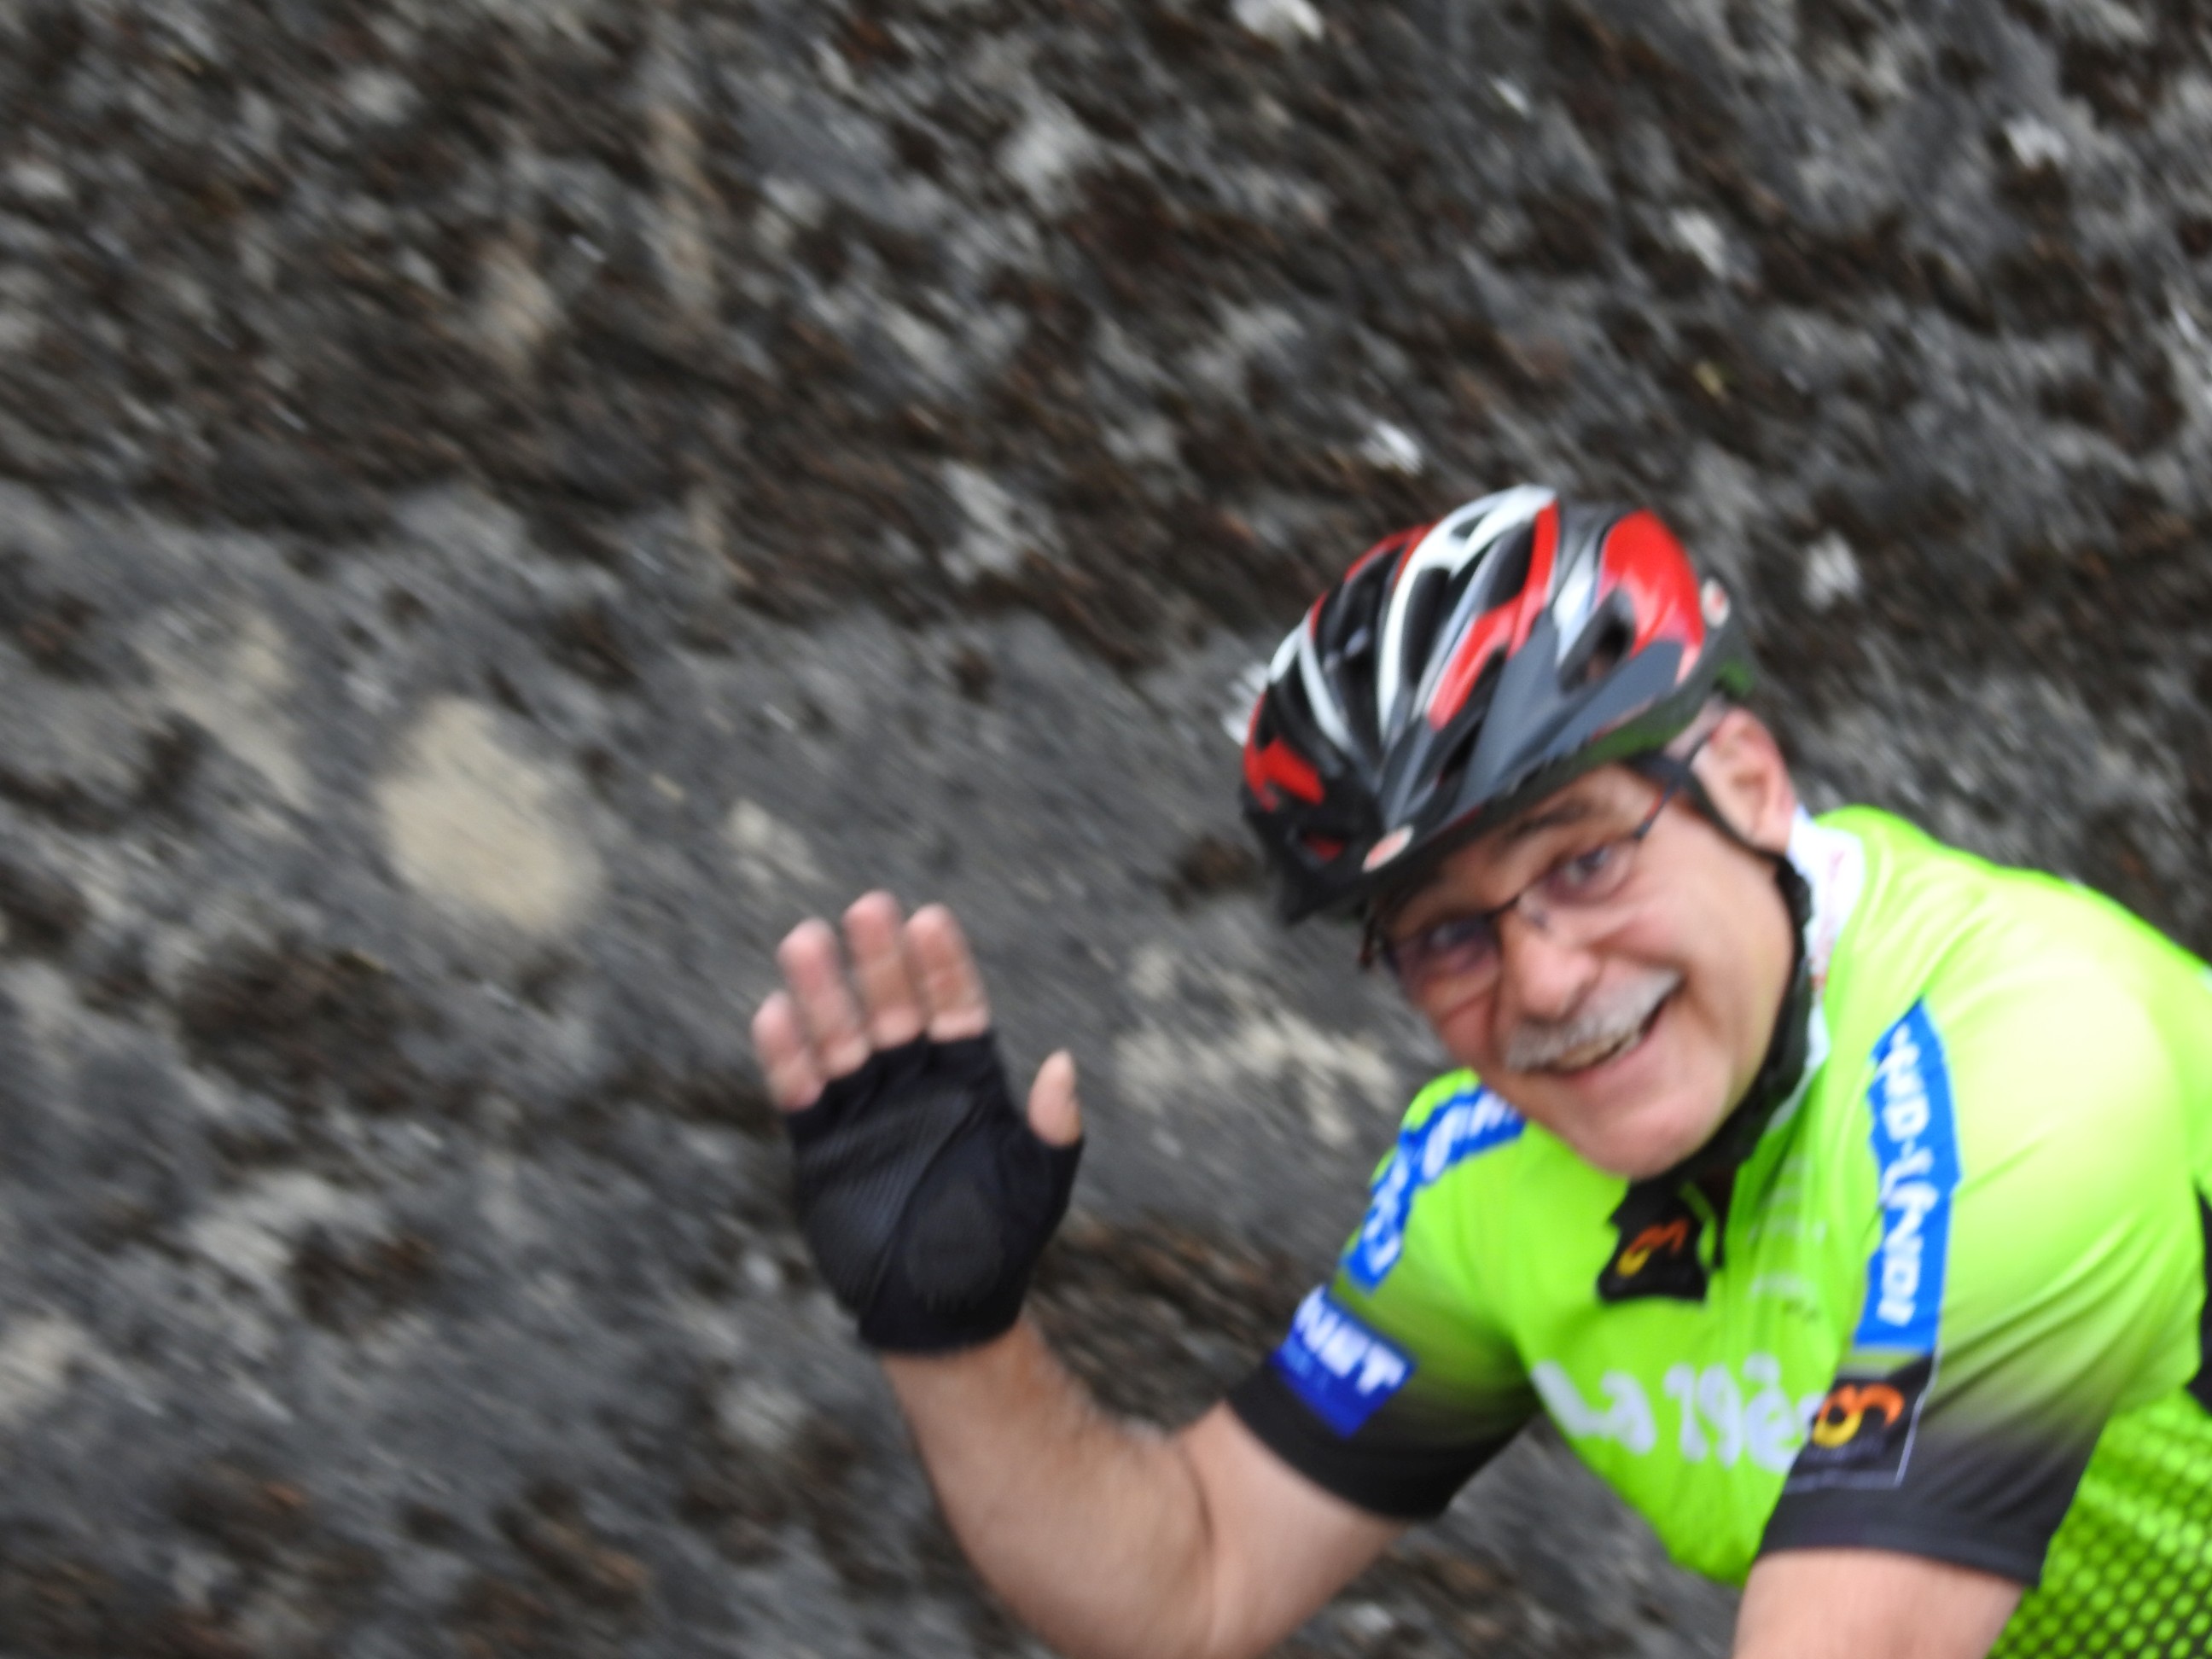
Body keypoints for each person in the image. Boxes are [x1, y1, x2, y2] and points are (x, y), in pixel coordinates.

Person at [749, 485, 2212, 1659]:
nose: (1547, 982)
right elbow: (1191, 1581)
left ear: (1749, 785)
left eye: (1586, 859)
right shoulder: (1494, 1178)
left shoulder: (2032, 1068)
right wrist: (952, 1334)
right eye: (1448, 936)